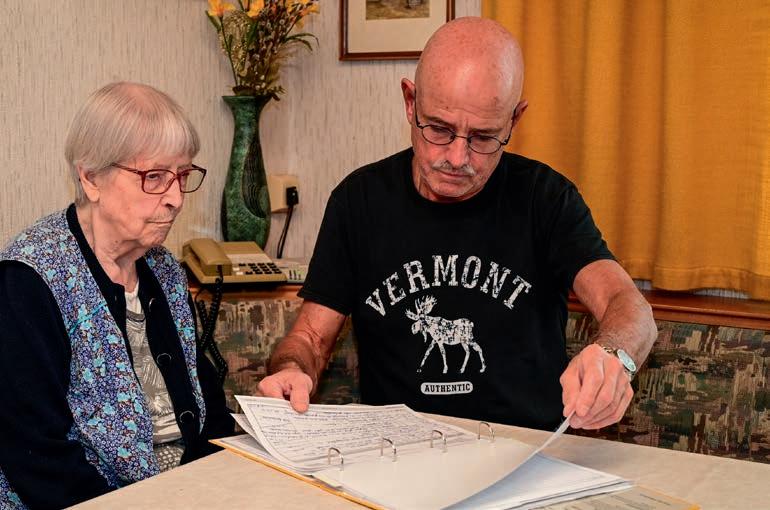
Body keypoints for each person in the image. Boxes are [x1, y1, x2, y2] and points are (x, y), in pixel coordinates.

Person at [259, 17, 657, 432]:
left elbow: (628, 306)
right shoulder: (357, 201)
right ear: (410, 102)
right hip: (398, 450)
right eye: (439, 129)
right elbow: (311, 338)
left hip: (523, 449)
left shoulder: (546, 198)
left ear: (514, 120)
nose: (457, 158)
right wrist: (292, 370)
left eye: (483, 137)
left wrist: (613, 355)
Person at [0, 82, 235, 509]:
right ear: (91, 178)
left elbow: (208, 406)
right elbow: (36, 453)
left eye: (183, 176)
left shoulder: (163, 269)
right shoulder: (28, 280)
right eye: (155, 177)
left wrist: (219, 486)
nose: (176, 199)